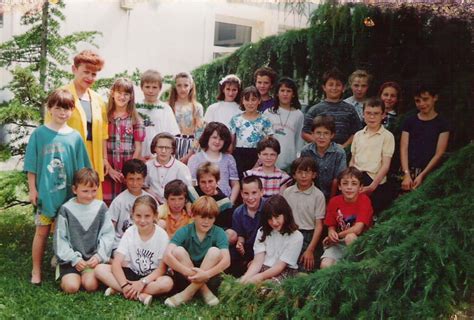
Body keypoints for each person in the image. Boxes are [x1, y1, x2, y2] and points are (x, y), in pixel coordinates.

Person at [25, 89, 91, 285]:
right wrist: (32, 189)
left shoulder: (75, 137)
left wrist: (82, 194)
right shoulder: (39, 134)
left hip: (69, 196)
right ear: (50, 109)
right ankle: (36, 270)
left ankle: (62, 263)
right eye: (58, 108)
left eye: (68, 109)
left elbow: (82, 169)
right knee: (42, 231)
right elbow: (31, 166)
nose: (63, 113)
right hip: (46, 194)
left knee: (66, 232)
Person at [45, 50, 108, 199]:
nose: (90, 77)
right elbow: (49, 130)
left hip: (93, 157)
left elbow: (104, 132)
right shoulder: (61, 95)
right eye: (86, 72)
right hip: (67, 156)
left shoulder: (98, 99)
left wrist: (104, 158)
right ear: (74, 69)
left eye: (94, 74)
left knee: (91, 197)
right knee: (67, 195)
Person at [95, 195, 173, 305]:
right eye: (138, 216)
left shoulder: (161, 235)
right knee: (100, 269)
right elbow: (116, 263)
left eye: (147, 216)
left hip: (151, 277)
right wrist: (124, 285)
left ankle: (118, 289)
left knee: (167, 283)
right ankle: (136, 294)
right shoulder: (130, 232)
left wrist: (143, 282)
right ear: (132, 214)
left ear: (155, 215)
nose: (142, 220)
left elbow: (161, 269)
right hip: (131, 273)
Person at [53, 168, 114, 293]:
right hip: (71, 261)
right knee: (71, 287)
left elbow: (108, 234)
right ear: (75, 189)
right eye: (85, 191)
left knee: (90, 286)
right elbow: (60, 239)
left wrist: (99, 256)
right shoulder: (66, 209)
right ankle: (63, 270)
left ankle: (89, 275)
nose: (90, 195)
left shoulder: (101, 207)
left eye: (93, 191)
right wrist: (74, 259)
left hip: (92, 260)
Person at [163, 196, 231, 307]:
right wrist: (190, 273)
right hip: (186, 278)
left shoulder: (219, 232)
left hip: (210, 278)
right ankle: (204, 291)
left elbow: (226, 261)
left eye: (210, 218)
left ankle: (187, 294)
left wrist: (205, 274)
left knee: (215, 251)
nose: (206, 222)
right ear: (193, 215)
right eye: (202, 217)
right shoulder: (185, 230)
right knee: (178, 251)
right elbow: (167, 256)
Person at [240, 195, 303, 284]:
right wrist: (246, 277)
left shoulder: (296, 236)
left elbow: (280, 266)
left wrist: (259, 277)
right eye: (270, 219)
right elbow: (258, 261)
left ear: (285, 214)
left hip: (284, 271)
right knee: (246, 282)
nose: (274, 222)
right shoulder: (262, 231)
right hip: (264, 267)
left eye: (277, 217)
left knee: (266, 288)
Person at [103, 78, 145, 206]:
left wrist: (128, 173)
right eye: (119, 93)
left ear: (131, 96)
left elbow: (138, 148)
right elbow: (102, 142)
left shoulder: (135, 120)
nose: (122, 97)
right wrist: (109, 168)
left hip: (126, 171)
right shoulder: (105, 116)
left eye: (126, 94)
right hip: (107, 169)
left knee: (128, 205)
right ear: (112, 93)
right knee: (107, 204)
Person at [320, 167, 373, 269]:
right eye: (345, 183)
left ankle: (353, 268)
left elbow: (358, 229)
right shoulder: (334, 201)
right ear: (339, 186)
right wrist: (331, 233)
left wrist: (337, 236)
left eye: (354, 183)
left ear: (361, 187)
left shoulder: (364, 200)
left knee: (350, 236)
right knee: (325, 265)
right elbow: (331, 225)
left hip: (359, 243)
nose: (349, 187)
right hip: (338, 243)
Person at [400, 84, 450, 191]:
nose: (422, 104)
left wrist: (423, 175)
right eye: (418, 101)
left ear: (435, 98)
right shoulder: (409, 121)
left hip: (431, 172)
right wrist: (406, 173)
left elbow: (440, 152)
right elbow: (403, 148)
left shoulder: (442, 123)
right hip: (409, 172)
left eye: (425, 99)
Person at [350, 97, 395, 216]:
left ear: (383, 115)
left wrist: (372, 186)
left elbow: (385, 165)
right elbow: (353, 160)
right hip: (357, 180)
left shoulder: (387, 136)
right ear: (363, 114)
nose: (372, 117)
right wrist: (351, 180)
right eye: (368, 113)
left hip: (376, 182)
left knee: (371, 216)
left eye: (376, 114)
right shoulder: (358, 135)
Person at [283, 157, 325, 271]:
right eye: (300, 172)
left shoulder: (318, 195)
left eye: (307, 172)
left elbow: (319, 225)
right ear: (294, 175)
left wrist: (310, 249)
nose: (303, 176)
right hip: (290, 232)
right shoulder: (287, 192)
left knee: (306, 267)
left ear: (314, 175)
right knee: (286, 266)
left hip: (309, 236)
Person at [302, 68, 361, 148]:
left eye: (338, 85)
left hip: (344, 153)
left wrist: (343, 147)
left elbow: (357, 133)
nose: (334, 88)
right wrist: (323, 144)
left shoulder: (350, 109)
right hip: (320, 155)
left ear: (343, 88)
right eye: (330, 84)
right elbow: (305, 133)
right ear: (324, 87)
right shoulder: (315, 110)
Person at [187, 122, 240, 203]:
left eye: (221, 139)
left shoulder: (229, 159)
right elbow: (192, 185)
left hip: (224, 202)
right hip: (202, 203)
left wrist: (230, 203)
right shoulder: (195, 159)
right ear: (207, 137)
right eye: (214, 137)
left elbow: (235, 184)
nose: (217, 141)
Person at [230, 86, 274, 178]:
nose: (250, 103)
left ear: (259, 100)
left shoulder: (265, 120)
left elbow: (270, 142)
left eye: (253, 100)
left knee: (255, 182)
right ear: (242, 101)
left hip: (257, 155)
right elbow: (231, 142)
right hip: (239, 155)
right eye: (247, 100)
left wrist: (261, 159)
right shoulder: (236, 119)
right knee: (240, 181)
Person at [109, 159, 152, 252]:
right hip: (121, 244)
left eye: (138, 179)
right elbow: (110, 227)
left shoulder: (150, 200)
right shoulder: (118, 201)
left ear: (144, 178)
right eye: (131, 179)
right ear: (125, 179)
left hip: (144, 245)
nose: (135, 183)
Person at [300, 115, 347, 201]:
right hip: (310, 194)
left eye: (326, 133)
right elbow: (303, 175)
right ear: (312, 134)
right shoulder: (306, 151)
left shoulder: (339, 152)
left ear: (332, 135)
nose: (322, 137)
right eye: (318, 133)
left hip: (334, 195)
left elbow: (338, 179)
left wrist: (331, 201)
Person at [136, 69, 180, 160]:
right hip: (139, 156)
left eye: (154, 87)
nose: (151, 91)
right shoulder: (135, 107)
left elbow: (173, 135)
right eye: (147, 87)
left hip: (159, 157)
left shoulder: (165, 108)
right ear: (141, 87)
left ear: (160, 88)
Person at [263, 77, 305, 170]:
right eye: (282, 90)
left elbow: (299, 140)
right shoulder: (268, 113)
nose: (285, 94)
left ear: (293, 94)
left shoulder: (298, 115)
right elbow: (264, 138)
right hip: (270, 159)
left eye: (288, 91)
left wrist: (298, 158)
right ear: (277, 93)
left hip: (290, 159)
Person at [188, 162, 236, 242]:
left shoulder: (224, 203)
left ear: (217, 181)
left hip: (210, 235)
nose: (207, 186)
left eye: (210, 181)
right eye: (203, 182)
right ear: (198, 182)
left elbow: (222, 227)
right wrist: (187, 203)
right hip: (189, 229)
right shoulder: (191, 193)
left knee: (231, 234)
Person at [231, 175, 266, 276]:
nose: (250, 198)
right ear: (241, 194)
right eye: (246, 193)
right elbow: (240, 235)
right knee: (232, 255)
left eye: (254, 193)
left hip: (266, 246)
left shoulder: (268, 207)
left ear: (261, 192)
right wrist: (240, 244)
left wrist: (256, 259)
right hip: (249, 247)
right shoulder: (238, 212)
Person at [144, 132, 192, 204]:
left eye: (167, 148)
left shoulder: (182, 168)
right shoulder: (147, 166)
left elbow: (187, 192)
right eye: (160, 147)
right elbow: (143, 185)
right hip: (152, 204)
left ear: (172, 149)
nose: (163, 151)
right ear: (154, 148)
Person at [168, 72, 204, 162]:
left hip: (190, 147)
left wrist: (190, 154)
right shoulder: (168, 106)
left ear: (191, 86)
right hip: (170, 146)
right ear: (175, 86)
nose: (182, 89)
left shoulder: (197, 107)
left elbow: (199, 133)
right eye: (179, 85)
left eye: (186, 85)